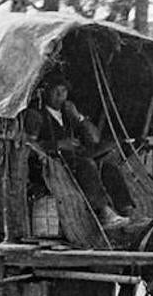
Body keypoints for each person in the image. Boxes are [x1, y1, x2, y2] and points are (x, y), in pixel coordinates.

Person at [22, 72, 134, 229]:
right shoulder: (37, 115)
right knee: (86, 165)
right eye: (56, 91)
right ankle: (103, 212)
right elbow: (29, 145)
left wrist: (79, 118)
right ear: (46, 92)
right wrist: (58, 144)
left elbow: (95, 139)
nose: (60, 96)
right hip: (53, 165)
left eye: (64, 91)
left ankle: (127, 213)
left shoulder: (69, 115)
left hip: (73, 161)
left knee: (108, 167)